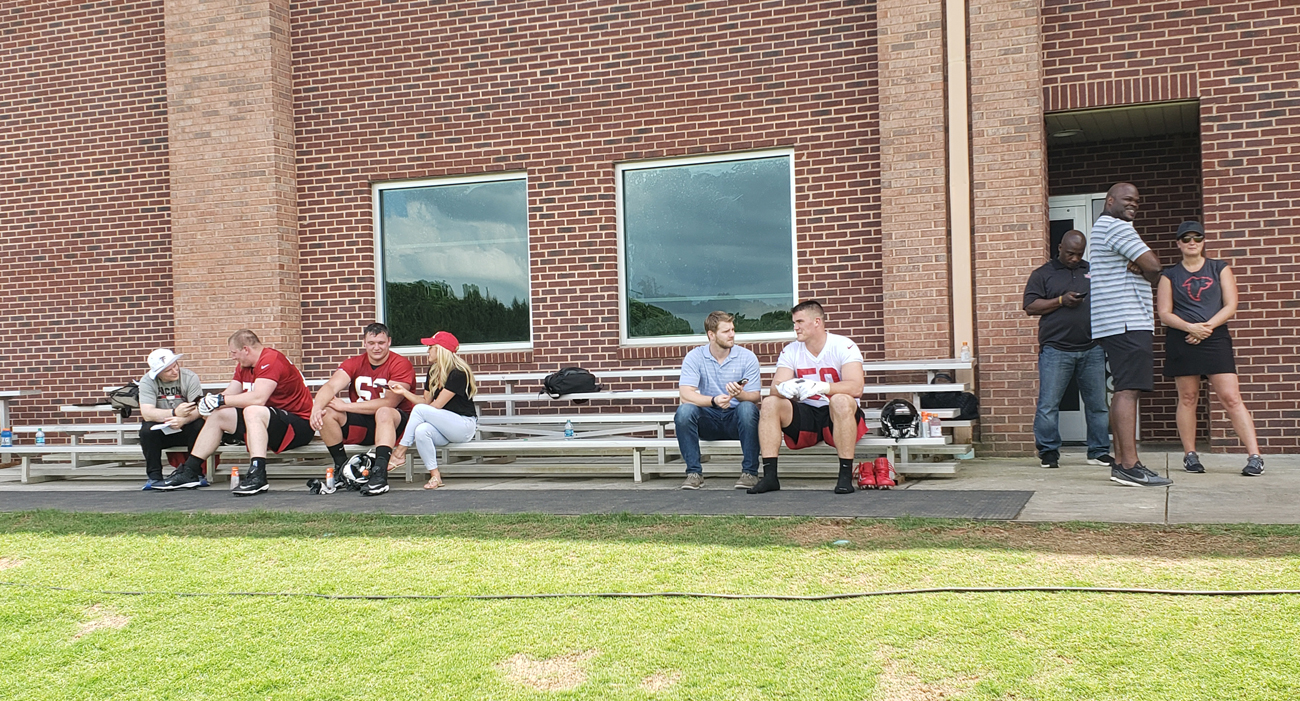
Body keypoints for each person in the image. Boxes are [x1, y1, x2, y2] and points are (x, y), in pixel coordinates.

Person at [1157, 221, 1264, 476]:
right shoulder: (1168, 274)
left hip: (1215, 338)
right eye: (1186, 238)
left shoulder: (1219, 268)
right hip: (1183, 339)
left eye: (1197, 237)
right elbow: (1164, 313)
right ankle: (1190, 455)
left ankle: (1255, 456)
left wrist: (1205, 328)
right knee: (1188, 398)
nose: (1192, 242)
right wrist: (1190, 328)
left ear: (1203, 241)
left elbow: (1231, 305)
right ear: (1178, 244)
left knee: (1231, 398)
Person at [153, 329, 315, 495]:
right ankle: (190, 471)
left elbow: (258, 398)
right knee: (219, 414)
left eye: (234, 352)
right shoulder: (244, 365)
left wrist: (221, 401)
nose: (232, 357)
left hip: (299, 424)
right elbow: (229, 393)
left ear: (246, 349)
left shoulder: (271, 360)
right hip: (271, 420)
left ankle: (258, 475)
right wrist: (207, 404)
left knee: (253, 410)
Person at [1089, 182, 1171, 487]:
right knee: (1128, 390)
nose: (1133, 204)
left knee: (1126, 388)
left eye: (1137, 200)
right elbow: (1154, 266)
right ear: (1110, 200)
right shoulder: (1116, 226)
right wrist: (1146, 267)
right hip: (1126, 321)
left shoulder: (1105, 227)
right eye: (1127, 199)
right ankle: (1128, 465)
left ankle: (1125, 463)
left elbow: (1149, 267)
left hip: (1116, 321)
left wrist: (1144, 267)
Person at [747, 300, 866, 495]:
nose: (796, 327)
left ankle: (845, 476)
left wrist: (821, 387)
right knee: (770, 403)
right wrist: (790, 388)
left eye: (800, 322)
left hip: (836, 412)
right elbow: (775, 389)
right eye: (794, 322)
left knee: (840, 400)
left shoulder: (844, 345)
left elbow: (856, 387)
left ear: (817, 321)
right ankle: (770, 476)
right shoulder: (791, 350)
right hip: (807, 413)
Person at [1023, 230, 1113, 469]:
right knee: (1049, 405)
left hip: (1092, 348)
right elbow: (1031, 306)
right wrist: (1061, 301)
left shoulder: (1092, 271)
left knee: (1098, 405)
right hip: (1056, 349)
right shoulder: (1043, 274)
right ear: (1060, 247)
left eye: (1079, 254)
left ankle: (1099, 451)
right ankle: (1049, 452)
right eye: (1070, 253)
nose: (1075, 258)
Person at [310, 322, 415, 496]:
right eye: (372, 343)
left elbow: (389, 402)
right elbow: (330, 386)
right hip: (364, 421)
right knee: (327, 412)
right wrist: (316, 408)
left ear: (389, 342)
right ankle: (342, 470)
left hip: (395, 423)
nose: (376, 348)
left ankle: (380, 473)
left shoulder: (400, 364)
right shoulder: (355, 362)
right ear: (364, 343)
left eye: (381, 343)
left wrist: (347, 406)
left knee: (383, 411)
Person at [675, 311, 763, 490]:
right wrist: (713, 400)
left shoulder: (747, 357)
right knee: (684, 411)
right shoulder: (695, 356)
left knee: (747, 408)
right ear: (711, 335)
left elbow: (755, 396)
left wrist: (740, 394)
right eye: (726, 331)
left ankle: (750, 473)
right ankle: (694, 473)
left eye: (733, 329)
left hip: (737, 419)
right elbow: (685, 394)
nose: (732, 334)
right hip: (709, 418)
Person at [388, 332, 477, 490]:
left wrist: (420, 410)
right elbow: (425, 402)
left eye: (430, 347)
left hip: (463, 426)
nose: (427, 351)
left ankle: (399, 452)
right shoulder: (433, 371)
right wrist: (403, 392)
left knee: (420, 412)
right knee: (422, 431)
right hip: (443, 427)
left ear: (441, 350)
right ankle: (435, 476)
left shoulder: (458, 373)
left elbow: (435, 407)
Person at [137, 349, 206, 490]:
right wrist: (174, 412)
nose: (175, 371)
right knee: (146, 431)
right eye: (169, 370)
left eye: (176, 365)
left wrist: (183, 420)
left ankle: (194, 473)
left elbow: (199, 409)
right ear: (158, 373)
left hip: (186, 425)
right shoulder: (147, 381)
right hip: (161, 427)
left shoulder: (189, 377)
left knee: (199, 425)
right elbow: (147, 413)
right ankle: (154, 477)